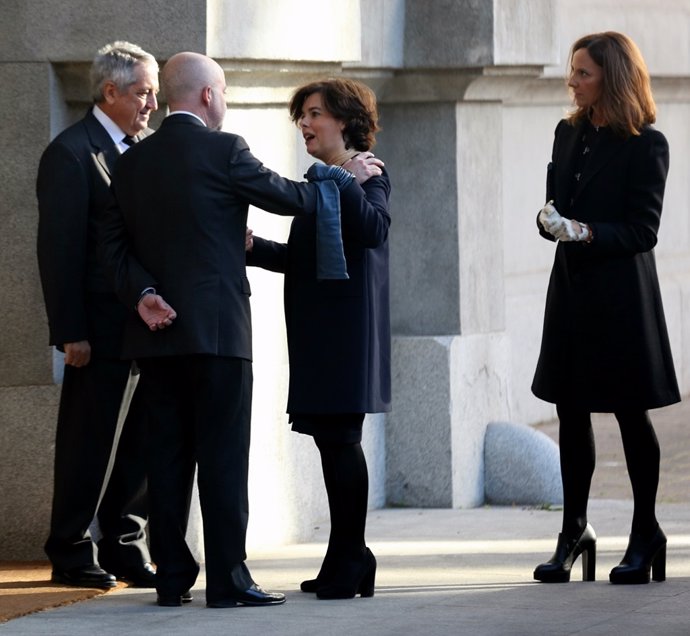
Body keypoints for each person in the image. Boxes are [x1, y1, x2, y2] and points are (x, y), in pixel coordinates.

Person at [97, 52, 382, 608]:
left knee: (167, 458)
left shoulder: (130, 160)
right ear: (208, 96)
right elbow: (291, 195)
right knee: (222, 459)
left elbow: (111, 248)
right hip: (220, 334)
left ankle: (173, 576)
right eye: (223, 92)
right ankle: (229, 579)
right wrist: (341, 176)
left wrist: (144, 296)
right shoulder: (225, 149)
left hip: (154, 336)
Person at [531, 31, 680, 585]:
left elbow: (643, 230)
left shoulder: (648, 144)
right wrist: (551, 222)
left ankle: (647, 532)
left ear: (611, 78)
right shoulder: (568, 132)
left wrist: (585, 231)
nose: (571, 82)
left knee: (627, 411)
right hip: (571, 292)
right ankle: (574, 530)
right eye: (572, 73)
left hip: (622, 298)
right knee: (571, 409)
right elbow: (555, 204)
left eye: (582, 73)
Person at [247, 78, 391, 600]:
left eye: (314, 113)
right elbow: (301, 260)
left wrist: (347, 181)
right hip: (317, 332)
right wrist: (253, 246)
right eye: (301, 116)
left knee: (341, 442)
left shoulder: (369, 173)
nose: (304, 124)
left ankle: (352, 557)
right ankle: (347, 556)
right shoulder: (321, 181)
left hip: (348, 336)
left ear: (345, 120)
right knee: (330, 445)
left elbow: (374, 230)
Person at [36, 41, 159, 589]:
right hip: (97, 329)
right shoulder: (70, 152)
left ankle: (124, 544)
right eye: (143, 92)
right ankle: (68, 549)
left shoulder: (148, 149)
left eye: (155, 91)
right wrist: (71, 334)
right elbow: (58, 251)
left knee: (145, 439)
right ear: (110, 92)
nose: (151, 103)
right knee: (88, 440)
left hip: (149, 324)